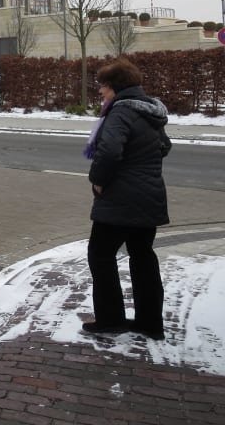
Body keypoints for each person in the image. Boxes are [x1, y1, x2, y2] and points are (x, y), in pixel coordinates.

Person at [81, 58, 171, 339]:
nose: (100, 92)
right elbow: (164, 146)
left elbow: (108, 153)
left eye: (103, 86)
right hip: (150, 196)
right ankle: (149, 323)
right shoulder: (150, 111)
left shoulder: (120, 112)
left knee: (100, 255)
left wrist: (97, 180)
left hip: (120, 200)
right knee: (143, 257)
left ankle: (110, 319)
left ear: (116, 87)